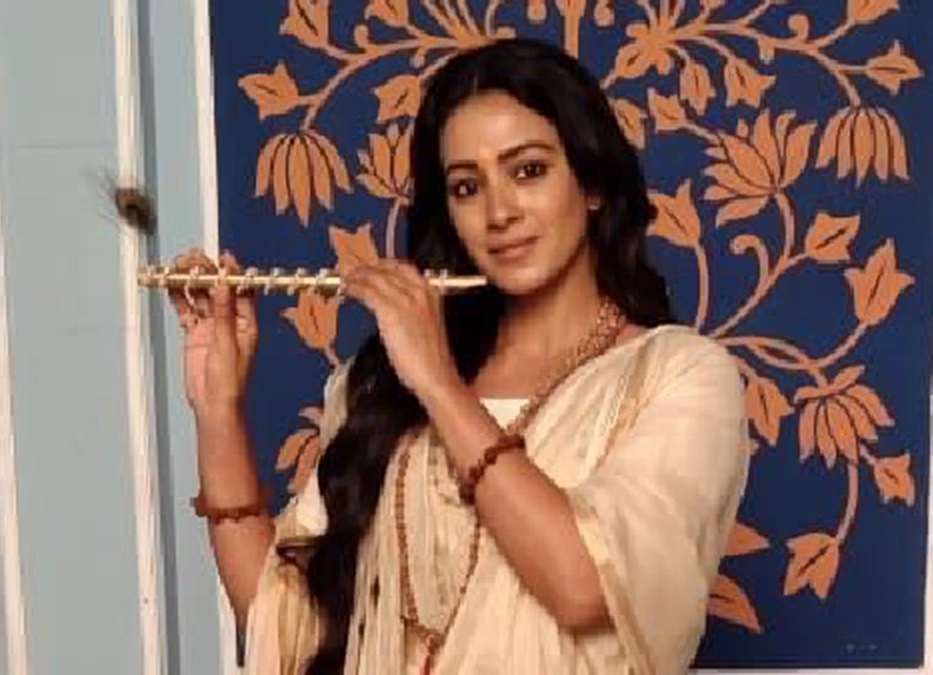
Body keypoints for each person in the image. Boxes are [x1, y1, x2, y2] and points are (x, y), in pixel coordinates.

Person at [169, 37, 749, 674]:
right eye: (467, 187)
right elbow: (287, 629)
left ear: (591, 185)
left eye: (528, 171)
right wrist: (218, 409)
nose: (499, 212)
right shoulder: (382, 388)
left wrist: (439, 384)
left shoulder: (681, 378)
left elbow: (586, 587)